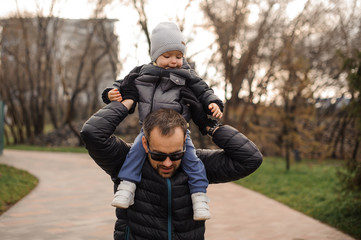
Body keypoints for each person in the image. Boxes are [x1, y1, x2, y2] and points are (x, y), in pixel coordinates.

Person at [80, 93, 263, 240]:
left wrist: (210, 127)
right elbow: (92, 133)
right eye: (158, 155)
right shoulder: (125, 161)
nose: (167, 163)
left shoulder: (197, 164)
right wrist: (128, 101)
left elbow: (250, 159)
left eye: (176, 154)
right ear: (145, 144)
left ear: (185, 143)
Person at [101, 22, 224, 221]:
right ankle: (126, 188)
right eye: (167, 56)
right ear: (155, 56)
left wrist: (213, 103)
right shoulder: (141, 73)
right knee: (135, 154)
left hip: (179, 131)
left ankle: (200, 197)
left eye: (178, 56)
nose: (173, 61)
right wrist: (111, 94)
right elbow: (120, 85)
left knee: (192, 161)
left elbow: (204, 90)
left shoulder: (187, 75)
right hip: (150, 130)